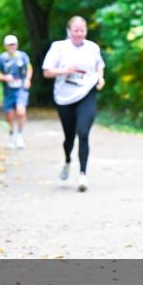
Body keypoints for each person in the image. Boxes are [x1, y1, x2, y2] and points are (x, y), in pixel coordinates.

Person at [42, 16, 105, 192]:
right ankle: (68, 160)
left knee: (83, 132)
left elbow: (99, 65)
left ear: (86, 31)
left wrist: (100, 77)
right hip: (65, 97)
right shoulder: (58, 47)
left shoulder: (92, 47)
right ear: (69, 31)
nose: (79, 33)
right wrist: (64, 71)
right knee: (69, 137)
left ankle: (83, 174)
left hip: (87, 93)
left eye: (82, 30)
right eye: (75, 30)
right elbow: (47, 72)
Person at [0, 34, 32, 149]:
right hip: (8, 90)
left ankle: (20, 135)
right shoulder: (1, 58)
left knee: (21, 111)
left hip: (21, 88)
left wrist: (27, 79)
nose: (11, 46)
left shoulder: (22, 56)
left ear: (16, 45)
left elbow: (29, 68)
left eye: (13, 44)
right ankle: (12, 134)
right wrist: (4, 77)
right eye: (9, 45)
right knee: (9, 114)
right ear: (5, 46)